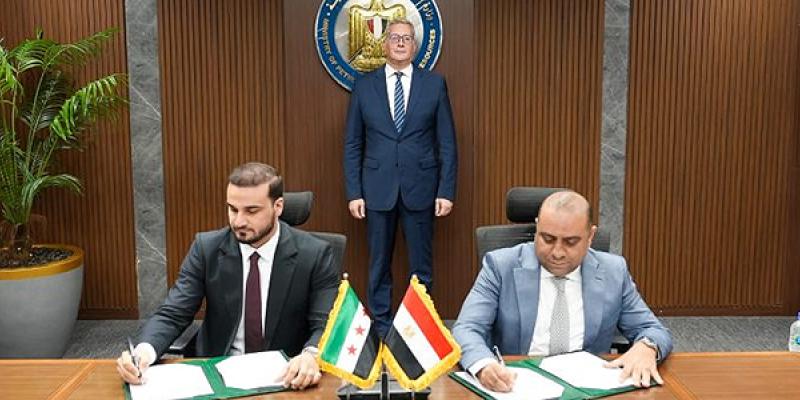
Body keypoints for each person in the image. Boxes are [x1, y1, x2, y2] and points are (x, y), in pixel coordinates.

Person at [117, 162, 339, 390]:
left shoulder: (315, 254)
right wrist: (143, 352)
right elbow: (174, 312)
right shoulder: (206, 249)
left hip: (286, 377)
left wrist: (311, 355)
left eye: (251, 211)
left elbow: (326, 323)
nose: (238, 221)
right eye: (233, 209)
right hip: (217, 374)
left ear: (278, 206)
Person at [453, 191, 672, 392]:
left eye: (570, 242)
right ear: (537, 228)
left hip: (586, 389)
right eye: (547, 239)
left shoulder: (613, 271)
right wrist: (484, 365)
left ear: (590, 236)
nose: (557, 252)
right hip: (517, 386)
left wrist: (647, 347)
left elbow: (652, 329)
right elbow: (466, 328)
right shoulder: (500, 267)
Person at [343, 18, 458, 337]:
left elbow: (447, 142)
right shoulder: (364, 86)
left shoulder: (434, 84)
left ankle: (418, 331)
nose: (400, 43)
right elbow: (353, 143)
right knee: (379, 265)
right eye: (395, 38)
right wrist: (354, 192)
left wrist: (446, 190)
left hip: (421, 188)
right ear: (384, 44)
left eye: (406, 38)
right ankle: (381, 329)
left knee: (421, 267)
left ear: (415, 46)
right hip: (376, 189)